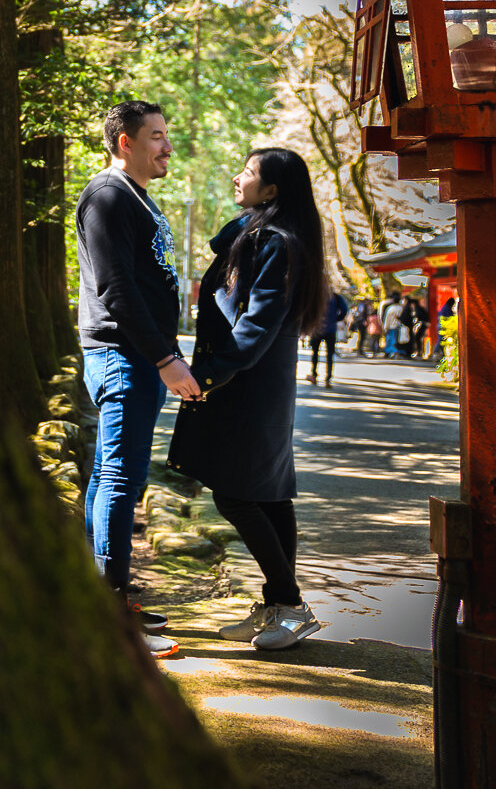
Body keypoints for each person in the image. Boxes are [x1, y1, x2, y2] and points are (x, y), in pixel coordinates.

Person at [167, 147, 331, 651]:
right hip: (253, 382)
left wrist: (205, 377)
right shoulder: (260, 237)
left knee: (237, 493)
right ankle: (279, 606)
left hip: (248, 385)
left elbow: (255, 326)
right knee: (268, 493)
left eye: (249, 173)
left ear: (273, 190)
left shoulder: (278, 244)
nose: (238, 177)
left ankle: (290, 603)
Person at [74, 101, 201, 659]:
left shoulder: (134, 198)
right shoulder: (106, 196)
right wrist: (165, 358)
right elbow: (116, 290)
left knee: (110, 475)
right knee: (120, 479)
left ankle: (105, 599)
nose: (167, 146)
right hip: (123, 357)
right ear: (124, 141)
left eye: (166, 135)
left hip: (135, 358)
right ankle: (111, 614)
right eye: (156, 136)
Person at [307, 289, 346, 387]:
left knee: (315, 353)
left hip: (317, 328)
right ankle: (328, 378)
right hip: (331, 329)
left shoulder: (315, 295)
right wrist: (336, 318)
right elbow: (344, 310)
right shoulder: (336, 297)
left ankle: (314, 375)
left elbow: (308, 309)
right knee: (329, 355)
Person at [379, 292, 407, 358]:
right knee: (398, 341)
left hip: (391, 327)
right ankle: (398, 352)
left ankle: (390, 352)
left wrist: (385, 328)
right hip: (400, 327)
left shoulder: (390, 309)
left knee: (391, 340)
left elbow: (387, 319)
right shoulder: (402, 308)